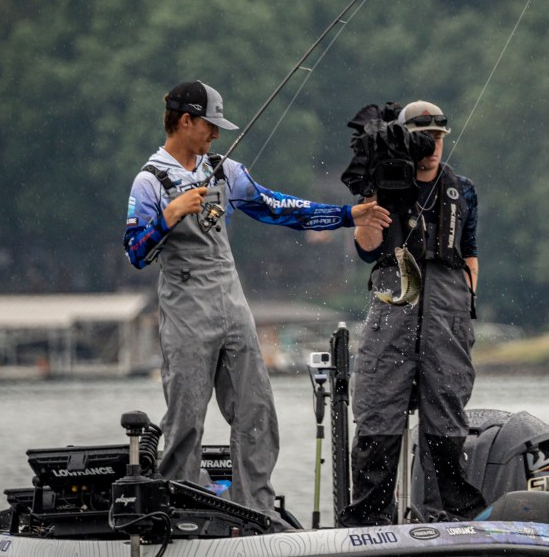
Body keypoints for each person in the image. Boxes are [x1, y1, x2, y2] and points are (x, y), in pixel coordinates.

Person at [122, 80, 390, 527]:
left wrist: (348, 216)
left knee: (257, 413)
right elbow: (136, 252)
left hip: (232, 306)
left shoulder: (225, 171)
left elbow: (278, 208)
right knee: (186, 418)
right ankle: (180, 510)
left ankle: (255, 510)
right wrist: (170, 214)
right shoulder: (149, 181)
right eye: (210, 125)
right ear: (185, 121)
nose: (216, 134)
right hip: (185, 312)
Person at [338, 99, 487, 526]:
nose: (433, 146)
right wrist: (372, 196)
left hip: (447, 313)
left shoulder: (464, 190)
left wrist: (463, 303)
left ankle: (450, 515)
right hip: (394, 307)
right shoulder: (385, 184)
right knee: (378, 411)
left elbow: (470, 253)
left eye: (439, 137)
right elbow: (367, 250)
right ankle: (371, 518)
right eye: (424, 138)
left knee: (446, 415)